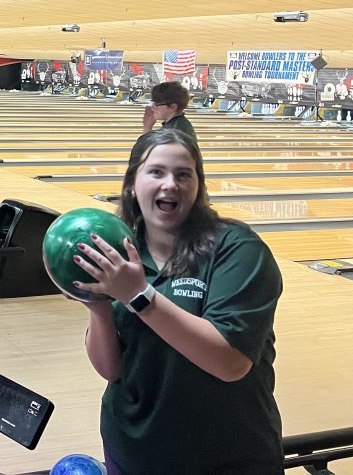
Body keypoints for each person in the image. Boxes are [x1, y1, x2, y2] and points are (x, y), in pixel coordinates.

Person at [74, 128, 283, 474]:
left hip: (227, 456)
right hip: (132, 450)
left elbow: (229, 362)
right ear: (132, 184)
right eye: (156, 172)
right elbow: (112, 370)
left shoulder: (237, 249)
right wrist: (98, 310)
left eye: (183, 174)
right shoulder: (120, 254)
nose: (170, 184)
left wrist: (139, 296)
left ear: (198, 186)